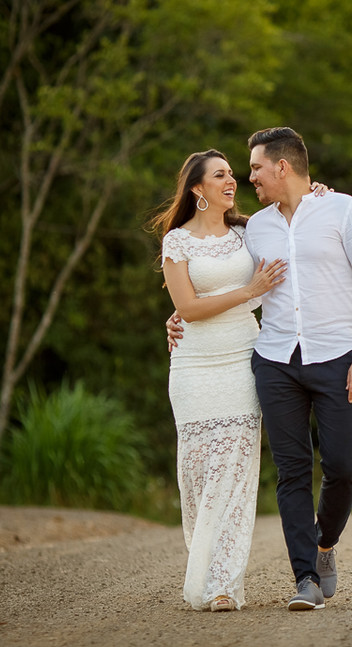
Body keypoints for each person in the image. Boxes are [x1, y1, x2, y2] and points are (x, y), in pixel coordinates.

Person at [168, 127, 352, 612]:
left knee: (342, 465)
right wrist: (179, 313)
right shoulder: (256, 228)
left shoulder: (345, 211)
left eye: (255, 169)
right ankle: (305, 578)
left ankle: (324, 545)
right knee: (291, 471)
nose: (249, 179)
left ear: (282, 167)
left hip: (338, 358)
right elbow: (216, 274)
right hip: (274, 361)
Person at [149, 148, 287, 613]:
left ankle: (224, 583)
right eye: (221, 175)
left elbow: (299, 211)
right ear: (197, 188)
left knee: (237, 472)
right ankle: (203, 568)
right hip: (193, 364)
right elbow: (187, 308)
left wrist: (321, 192)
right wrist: (249, 291)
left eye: (234, 174)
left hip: (243, 357)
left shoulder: (250, 231)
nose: (232, 181)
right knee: (198, 473)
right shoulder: (177, 242)